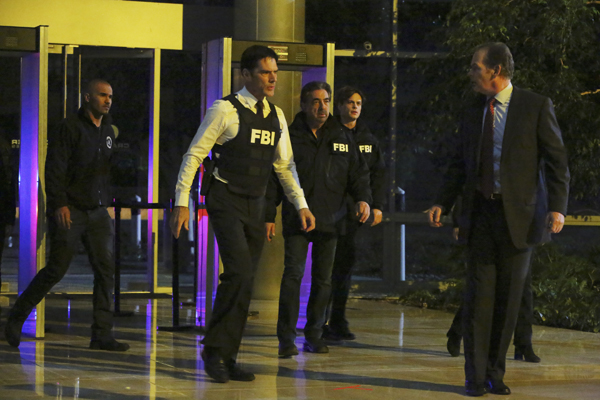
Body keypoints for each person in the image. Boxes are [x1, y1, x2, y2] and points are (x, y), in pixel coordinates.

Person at [428, 43, 569, 396]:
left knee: (508, 302)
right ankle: (474, 377)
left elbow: (556, 161)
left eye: (475, 67)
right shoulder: (472, 109)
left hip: (520, 218)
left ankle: (495, 372)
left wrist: (557, 207)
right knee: (479, 300)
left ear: (496, 70)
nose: (471, 73)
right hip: (481, 215)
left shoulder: (535, 106)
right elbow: (459, 163)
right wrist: (442, 202)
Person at [169, 45, 315, 384]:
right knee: (238, 272)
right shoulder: (224, 109)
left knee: (245, 280)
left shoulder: (276, 115)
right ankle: (215, 351)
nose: (272, 78)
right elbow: (194, 155)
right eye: (265, 72)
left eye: (275, 72)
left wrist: (301, 204)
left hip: (256, 203)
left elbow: (284, 165)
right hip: (225, 199)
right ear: (245, 75)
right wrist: (181, 202)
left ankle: (226, 354)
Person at [5, 79, 129, 352]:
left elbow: (105, 169)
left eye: (110, 96)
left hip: (97, 211)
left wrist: (105, 201)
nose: (108, 101)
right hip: (71, 209)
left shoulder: (107, 129)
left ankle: (102, 335)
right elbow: (55, 168)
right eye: (102, 95)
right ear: (87, 97)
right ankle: (16, 318)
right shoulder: (69, 127)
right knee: (56, 269)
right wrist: (59, 204)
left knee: (105, 270)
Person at [266, 81, 371, 358]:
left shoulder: (341, 134)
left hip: (331, 219)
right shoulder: (290, 135)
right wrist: (268, 214)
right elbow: (275, 176)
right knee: (293, 276)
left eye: (325, 101)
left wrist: (363, 199)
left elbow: (359, 173)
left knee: (323, 280)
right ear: (303, 105)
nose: (322, 107)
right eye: (315, 101)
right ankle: (286, 339)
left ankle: (314, 334)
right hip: (298, 219)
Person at [322, 86, 386, 341]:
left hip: (354, 215)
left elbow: (377, 174)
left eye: (358, 103)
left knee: (344, 267)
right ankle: (320, 321)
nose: (355, 107)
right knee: (325, 268)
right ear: (339, 105)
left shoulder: (368, 139)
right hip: (330, 211)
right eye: (350, 102)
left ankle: (337, 319)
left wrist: (376, 205)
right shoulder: (328, 134)